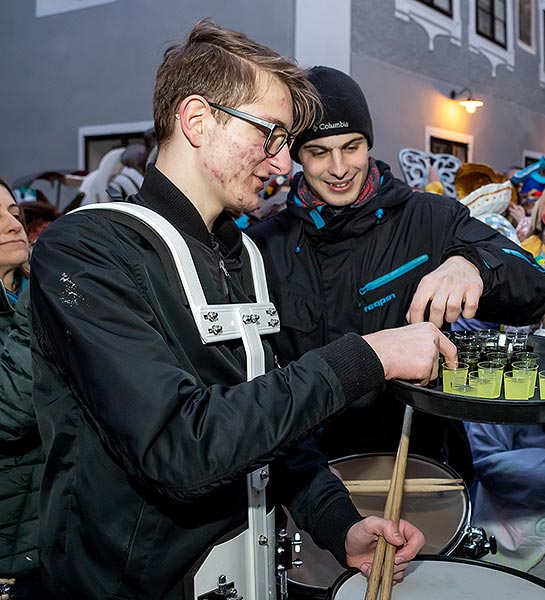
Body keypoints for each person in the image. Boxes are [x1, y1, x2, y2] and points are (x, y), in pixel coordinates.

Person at [29, 21, 448, 600]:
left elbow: (270, 420)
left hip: (249, 573)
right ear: (197, 121)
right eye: (270, 134)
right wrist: (366, 356)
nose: (283, 164)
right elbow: (180, 447)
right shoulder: (87, 250)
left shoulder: (242, 252)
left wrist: (338, 524)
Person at [248, 66, 545, 482]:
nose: (339, 168)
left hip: (422, 463)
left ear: (369, 144)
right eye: (319, 152)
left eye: (351, 146)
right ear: (298, 156)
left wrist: (474, 265)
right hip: (311, 475)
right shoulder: (265, 245)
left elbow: (535, 286)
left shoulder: (428, 217)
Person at [0, 179, 49, 600]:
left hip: (53, 548)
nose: (12, 225)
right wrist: (42, 299)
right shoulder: (34, 300)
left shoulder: (26, 294)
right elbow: (8, 414)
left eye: (14, 213)